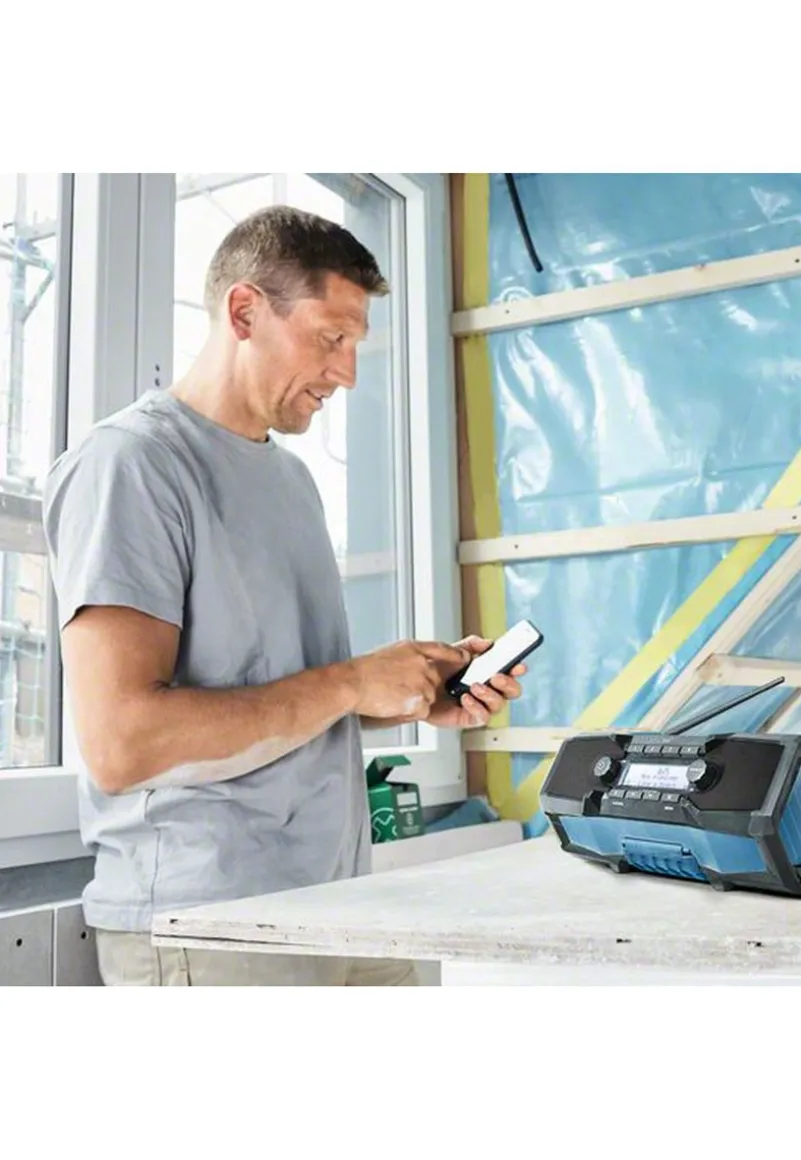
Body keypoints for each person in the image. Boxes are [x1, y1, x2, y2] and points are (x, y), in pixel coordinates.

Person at [42, 205, 523, 986]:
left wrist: (401, 694)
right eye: (332, 338)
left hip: (342, 901)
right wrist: (352, 682)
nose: (348, 373)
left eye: (356, 345)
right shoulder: (131, 466)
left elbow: (280, 693)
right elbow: (124, 742)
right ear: (244, 312)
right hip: (213, 924)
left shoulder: (293, 481)